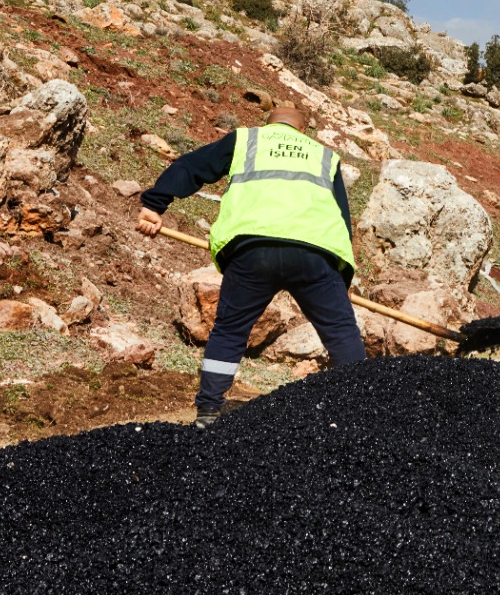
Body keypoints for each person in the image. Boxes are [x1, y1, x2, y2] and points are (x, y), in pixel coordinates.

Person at [135, 104, 366, 425]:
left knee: (230, 331)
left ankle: (208, 411)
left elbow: (192, 166)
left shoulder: (247, 140)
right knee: (342, 333)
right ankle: (358, 416)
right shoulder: (324, 156)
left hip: (253, 249)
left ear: (268, 125)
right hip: (315, 253)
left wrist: (154, 205)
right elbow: (342, 219)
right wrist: (341, 284)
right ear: (303, 132)